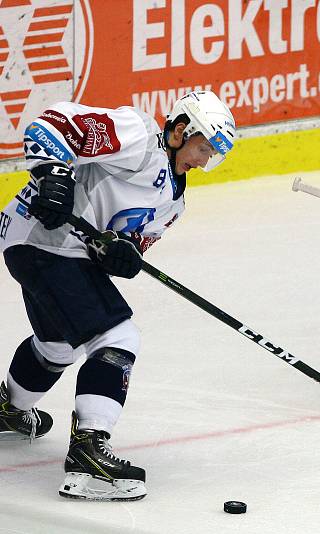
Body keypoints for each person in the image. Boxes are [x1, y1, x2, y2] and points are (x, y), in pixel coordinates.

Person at [0, 90, 236, 500]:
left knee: (57, 345)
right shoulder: (139, 137)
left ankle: (9, 410)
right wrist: (54, 176)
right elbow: (52, 124)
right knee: (118, 337)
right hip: (44, 239)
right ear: (180, 130)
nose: (203, 161)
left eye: (212, 155)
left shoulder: (174, 204)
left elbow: (124, 245)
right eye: (203, 148)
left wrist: (121, 254)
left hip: (47, 247)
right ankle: (88, 453)